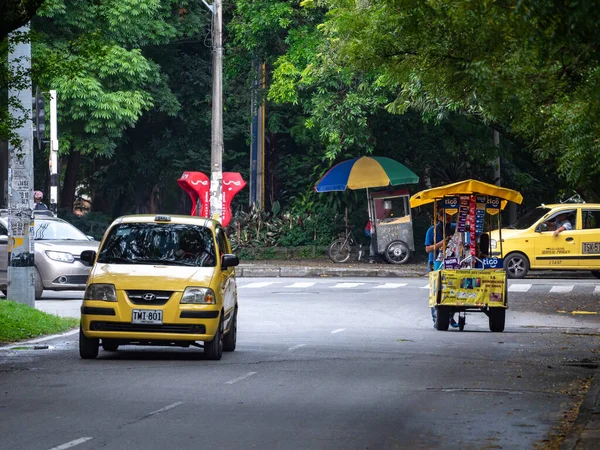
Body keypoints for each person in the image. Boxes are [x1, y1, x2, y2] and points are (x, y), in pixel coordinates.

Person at [425, 208, 458, 328]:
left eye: (450, 216)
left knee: (452, 290)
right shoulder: (432, 230)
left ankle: (451, 317)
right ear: (439, 217)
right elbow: (428, 249)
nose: (448, 218)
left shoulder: (454, 227)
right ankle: (437, 318)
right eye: (445, 216)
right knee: (436, 291)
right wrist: (441, 243)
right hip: (435, 262)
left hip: (452, 262)